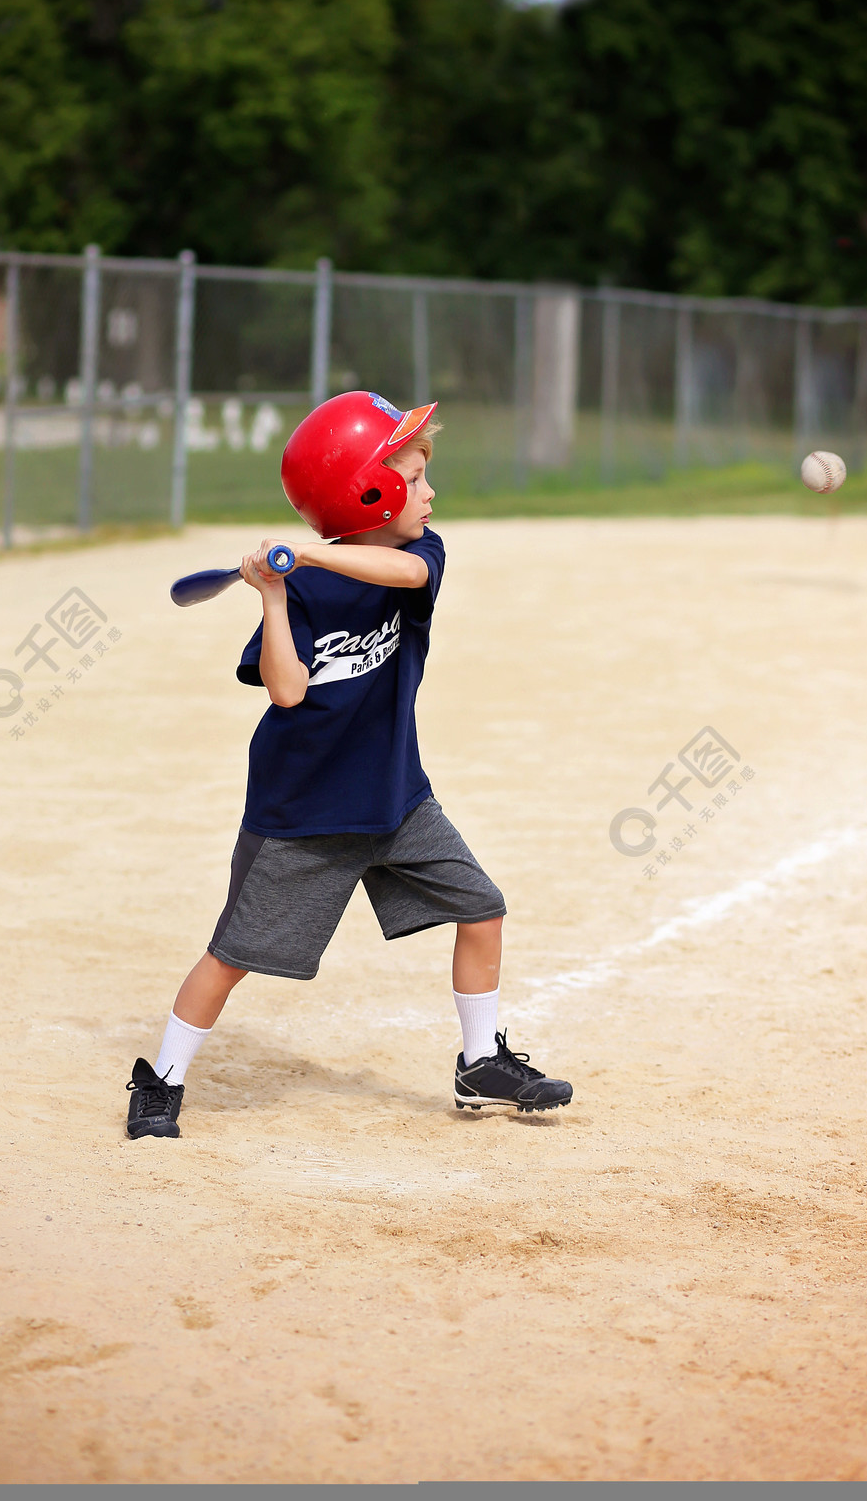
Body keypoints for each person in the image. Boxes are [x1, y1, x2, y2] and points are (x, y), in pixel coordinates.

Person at [125, 391, 573, 1138]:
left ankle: (480, 1062)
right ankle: (160, 1080)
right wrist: (274, 593)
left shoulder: (418, 556)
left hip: (397, 799)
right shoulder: (298, 587)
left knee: (483, 909)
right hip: (301, 816)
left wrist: (308, 552)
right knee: (232, 954)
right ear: (368, 490)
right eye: (415, 476)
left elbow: (403, 580)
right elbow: (287, 689)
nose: (430, 492)